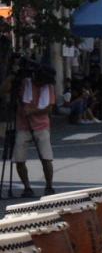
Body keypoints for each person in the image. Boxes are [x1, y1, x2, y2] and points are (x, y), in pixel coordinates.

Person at [14, 65, 56, 197]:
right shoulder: (25, 84)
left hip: (41, 125)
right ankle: (27, 187)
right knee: (19, 158)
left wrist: (32, 111)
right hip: (23, 125)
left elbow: (49, 109)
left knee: (46, 158)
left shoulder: (48, 87)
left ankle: (49, 185)